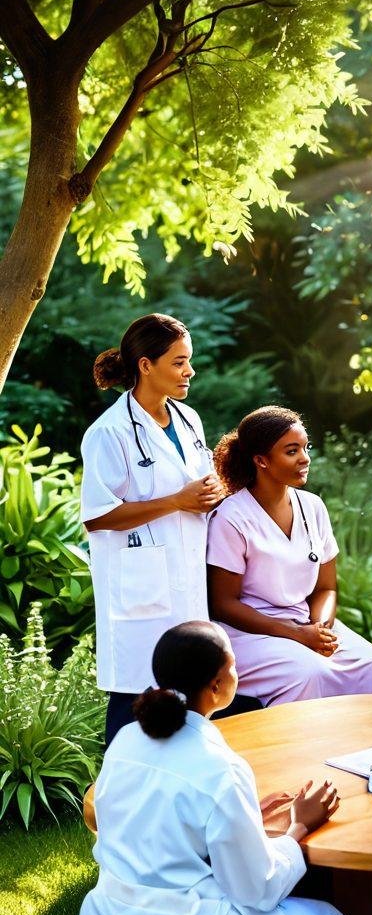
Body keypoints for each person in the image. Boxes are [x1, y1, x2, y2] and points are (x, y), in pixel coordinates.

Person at [73, 621, 352, 915]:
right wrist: (297, 829)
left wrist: (248, 816)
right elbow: (257, 889)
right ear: (219, 686)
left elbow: (160, 820)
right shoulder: (220, 767)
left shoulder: (127, 741)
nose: (238, 672)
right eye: (234, 665)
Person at [81, 314, 224, 746]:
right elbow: (98, 515)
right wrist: (176, 502)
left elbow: (194, 483)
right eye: (179, 362)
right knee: (134, 698)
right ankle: (117, 798)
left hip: (186, 577)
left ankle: (180, 790)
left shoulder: (188, 419)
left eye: (189, 361)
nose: (189, 371)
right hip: (140, 588)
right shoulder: (109, 432)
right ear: (146, 365)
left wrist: (210, 491)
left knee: (189, 691)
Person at [207, 406, 372, 705]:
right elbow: (223, 604)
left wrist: (319, 628)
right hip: (249, 633)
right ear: (261, 460)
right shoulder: (231, 517)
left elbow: (326, 587)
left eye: (305, 447)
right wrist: (296, 635)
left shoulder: (313, 507)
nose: (305, 457)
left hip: (307, 622)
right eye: (292, 450)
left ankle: (371, 750)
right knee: (309, 674)